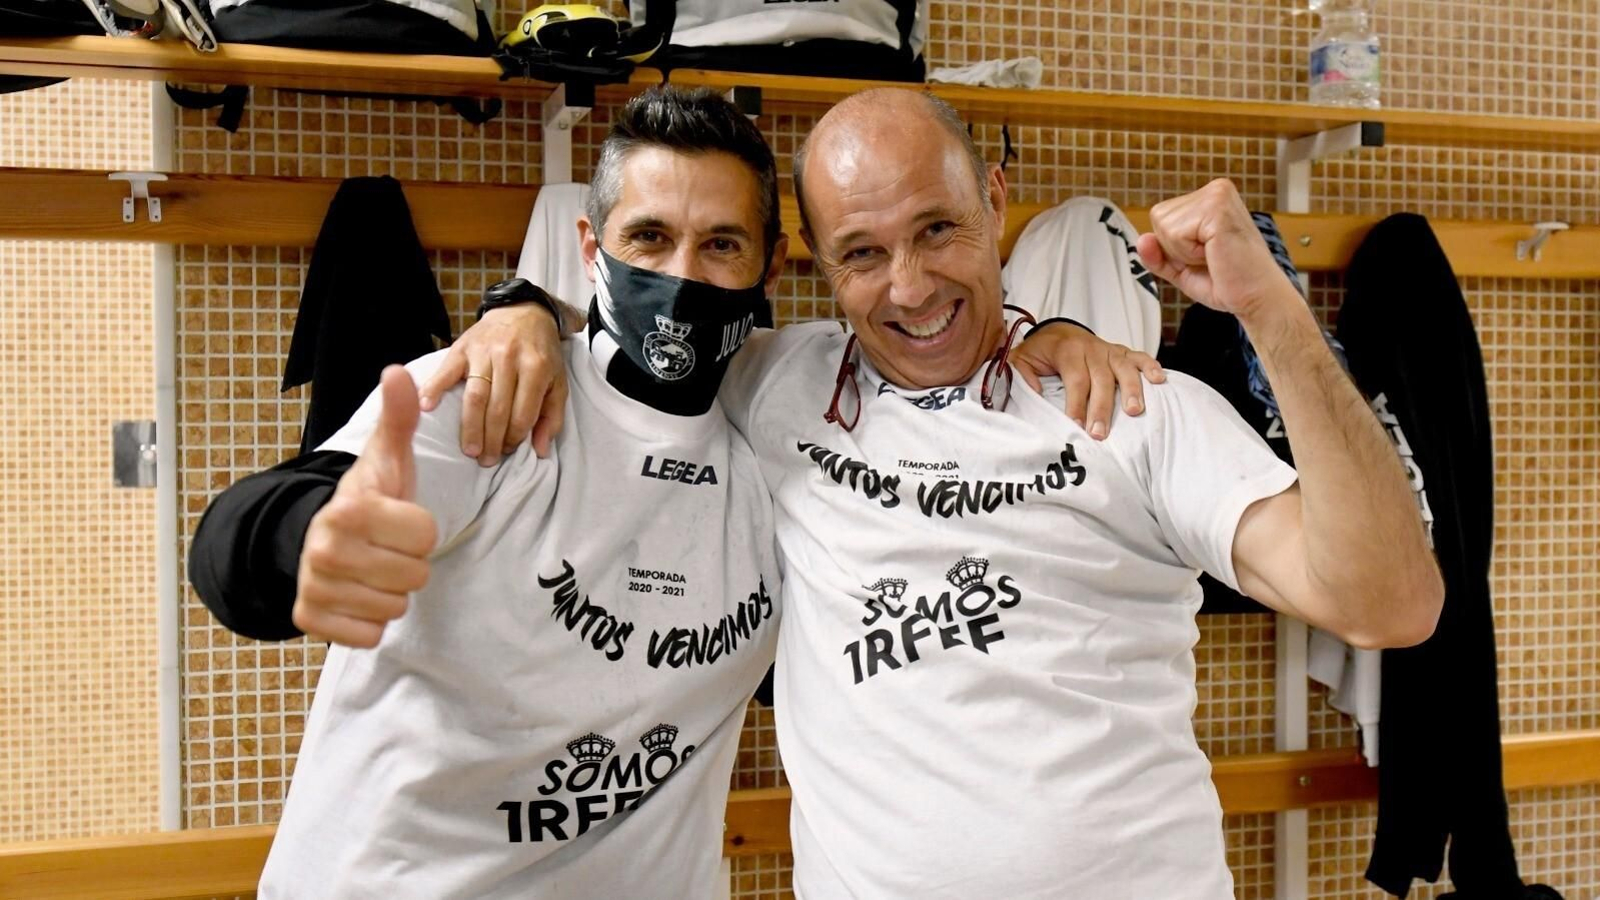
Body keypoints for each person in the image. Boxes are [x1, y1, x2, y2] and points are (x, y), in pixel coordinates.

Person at [436, 88, 1444, 897]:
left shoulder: (1132, 403)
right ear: (813, 267)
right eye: (863, 254)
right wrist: (515, 312)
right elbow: (630, 320)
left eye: (938, 231)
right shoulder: (773, 383)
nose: (910, 287)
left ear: (996, 200)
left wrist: (1272, 312)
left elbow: (1390, 604)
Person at [188, 86, 1154, 897]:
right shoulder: (499, 397)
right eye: (647, 239)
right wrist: (302, 544)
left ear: (773, 265)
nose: (680, 278)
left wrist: (1049, 335)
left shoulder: (785, 436)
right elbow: (241, 540)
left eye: (721, 246)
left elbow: (935, 362)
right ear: (590, 245)